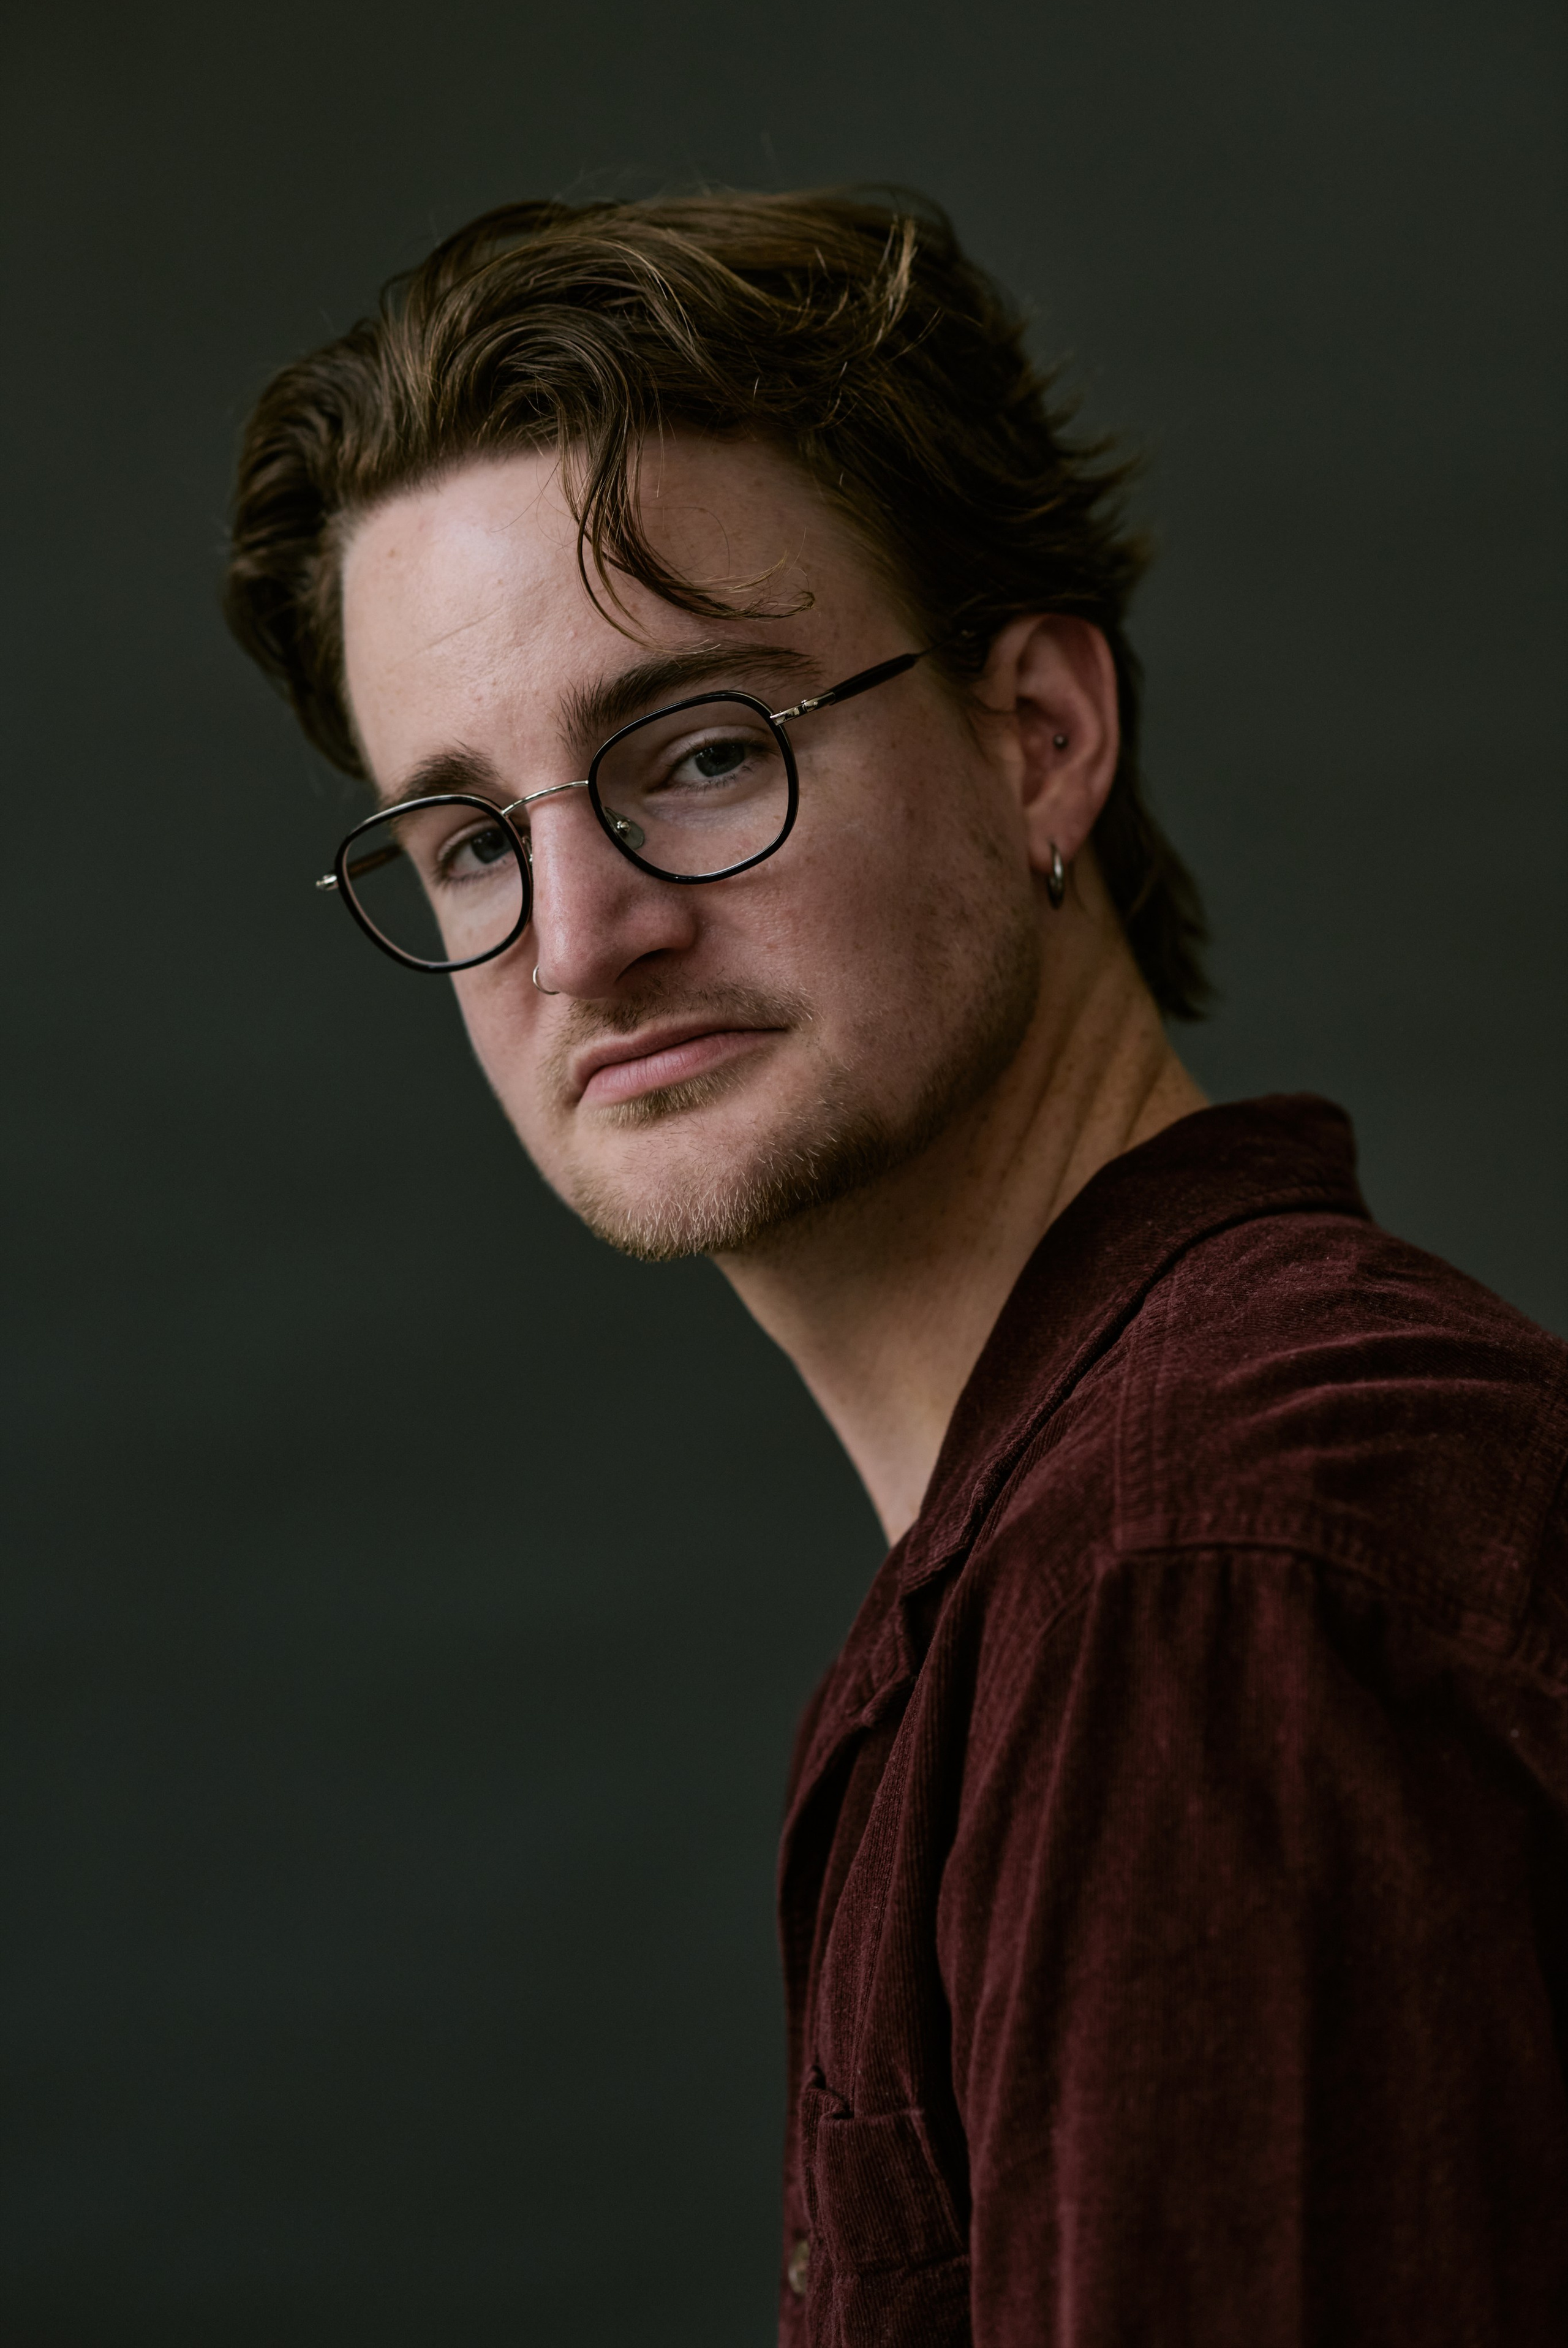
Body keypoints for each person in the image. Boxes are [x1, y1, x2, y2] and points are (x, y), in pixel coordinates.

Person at [225, 191, 1568, 2345]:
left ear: (1037, 734)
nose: (580, 939)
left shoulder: (1201, 1561)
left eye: (697, 751)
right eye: (475, 836)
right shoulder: (1077, 1551)